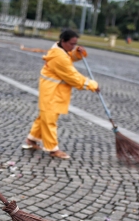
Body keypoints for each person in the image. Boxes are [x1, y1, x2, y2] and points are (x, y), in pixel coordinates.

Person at [23, 29, 100, 159]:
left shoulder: (59, 49)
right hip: (52, 91)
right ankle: (53, 149)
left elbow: (69, 56)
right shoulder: (59, 57)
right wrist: (92, 85)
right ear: (63, 41)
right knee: (49, 120)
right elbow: (73, 77)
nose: (73, 47)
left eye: (75, 44)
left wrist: (77, 53)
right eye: (71, 44)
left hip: (54, 90)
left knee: (44, 116)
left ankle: (32, 139)